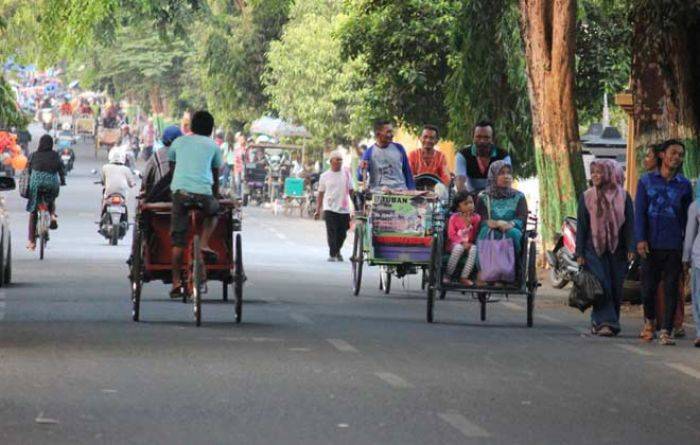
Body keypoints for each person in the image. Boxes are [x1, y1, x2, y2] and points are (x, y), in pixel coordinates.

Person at [636, 139, 693, 345]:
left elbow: (688, 219)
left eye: (680, 154)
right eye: (673, 153)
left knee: (671, 289)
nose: (676, 157)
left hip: (674, 245)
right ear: (662, 155)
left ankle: (666, 331)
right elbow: (640, 213)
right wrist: (640, 239)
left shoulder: (685, 185)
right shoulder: (646, 181)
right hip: (650, 244)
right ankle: (649, 322)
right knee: (648, 288)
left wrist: (687, 247)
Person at [575, 160, 635, 336]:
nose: (595, 176)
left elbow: (630, 224)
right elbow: (582, 226)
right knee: (602, 284)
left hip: (619, 250)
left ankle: (605, 321)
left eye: (599, 172)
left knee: (616, 286)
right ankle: (605, 323)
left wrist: (632, 247)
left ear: (609, 174)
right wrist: (579, 252)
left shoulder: (624, 196)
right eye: (592, 172)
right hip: (593, 248)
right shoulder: (586, 196)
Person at [168, 110, 223, 299]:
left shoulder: (178, 142)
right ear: (210, 129)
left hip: (180, 194)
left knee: (177, 241)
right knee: (213, 212)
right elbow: (215, 175)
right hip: (203, 194)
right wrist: (215, 197)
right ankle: (205, 243)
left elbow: (172, 170)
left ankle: (176, 282)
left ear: (191, 126)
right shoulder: (214, 146)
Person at [475, 160, 527, 283]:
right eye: (501, 173)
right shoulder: (483, 196)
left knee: (513, 234)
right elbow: (480, 218)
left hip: (511, 227)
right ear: (493, 176)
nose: (507, 176)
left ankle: (511, 272)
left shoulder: (519, 196)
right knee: (484, 233)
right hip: (490, 226)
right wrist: (493, 223)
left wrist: (510, 224)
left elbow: (522, 217)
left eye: (509, 173)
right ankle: (485, 272)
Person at [25, 135, 65, 250]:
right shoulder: (55, 155)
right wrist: (62, 181)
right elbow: (61, 169)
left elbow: (27, 170)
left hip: (36, 183)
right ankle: (52, 215)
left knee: (33, 212)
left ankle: (31, 242)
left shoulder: (33, 155)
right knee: (51, 199)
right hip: (51, 183)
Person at [314, 150, 353, 262]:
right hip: (330, 208)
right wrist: (318, 210)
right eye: (337, 160)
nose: (339, 162)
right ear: (331, 161)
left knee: (342, 233)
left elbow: (351, 190)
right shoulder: (324, 176)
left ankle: (337, 251)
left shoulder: (346, 173)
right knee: (332, 231)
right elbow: (321, 193)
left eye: (341, 160)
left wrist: (355, 206)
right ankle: (333, 253)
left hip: (344, 209)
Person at [455, 121, 511, 193]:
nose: (482, 141)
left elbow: (506, 183)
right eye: (478, 137)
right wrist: (467, 199)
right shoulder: (463, 155)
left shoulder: (503, 155)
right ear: (473, 138)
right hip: (472, 197)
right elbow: (460, 183)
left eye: (486, 137)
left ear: (492, 139)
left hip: (496, 196)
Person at [358, 120, 415, 191]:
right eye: (388, 132)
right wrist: (362, 169)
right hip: (379, 195)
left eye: (391, 131)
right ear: (378, 134)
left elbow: (407, 173)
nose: (392, 135)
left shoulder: (399, 148)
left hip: (400, 193)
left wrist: (412, 191)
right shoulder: (369, 153)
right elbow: (360, 177)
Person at [444, 191, 481, 286]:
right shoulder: (454, 217)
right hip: (454, 243)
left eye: (471, 202)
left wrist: (471, 223)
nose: (469, 205)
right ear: (458, 207)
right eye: (466, 203)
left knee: (474, 249)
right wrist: (461, 242)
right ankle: (448, 274)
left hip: (470, 243)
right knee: (458, 248)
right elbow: (451, 235)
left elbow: (476, 234)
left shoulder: (476, 218)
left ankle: (464, 277)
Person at [682, 178, 700, 347]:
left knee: (698, 296)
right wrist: (686, 258)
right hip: (698, 258)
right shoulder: (695, 207)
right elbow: (689, 235)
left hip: (697, 258)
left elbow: (689, 235)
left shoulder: (695, 206)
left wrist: (685, 259)